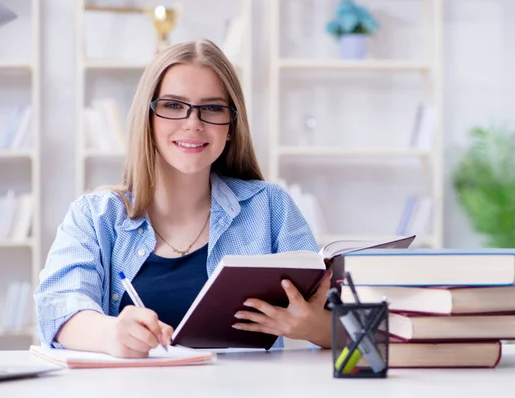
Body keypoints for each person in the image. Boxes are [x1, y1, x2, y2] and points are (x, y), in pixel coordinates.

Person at [34, 39, 333, 358]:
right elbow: (57, 311)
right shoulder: (94, 216)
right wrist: (111, 334)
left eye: (213, 108)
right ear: (147, 119)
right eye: (173, 106)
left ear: (231, 126)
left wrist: (311, 326)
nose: (193, 123)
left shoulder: (270, 207)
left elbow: (342, 323)